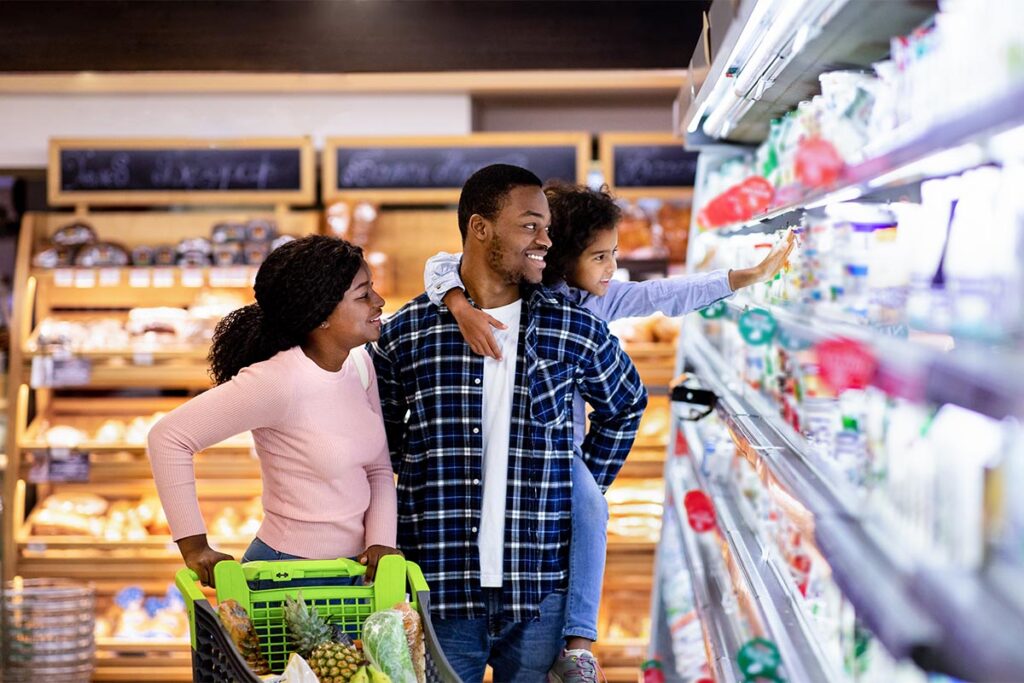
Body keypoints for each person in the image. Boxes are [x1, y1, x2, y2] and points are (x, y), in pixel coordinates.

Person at [423, 182, 795, 680]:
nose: (611, 268)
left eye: (613, 255)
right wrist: (458, 304)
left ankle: (578, 640)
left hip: (560, 452)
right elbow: (440, 264)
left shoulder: (599, 302)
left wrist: (743, 277)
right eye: (600, 256)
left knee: (592, 507)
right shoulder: (518, 287)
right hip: (495, 450)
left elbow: (664, 294)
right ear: (560, 254)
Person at [372, 165, 648, 682]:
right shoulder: (407, 333)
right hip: (440, 585)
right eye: (529, 226)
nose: (546, 239)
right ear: (480, 229)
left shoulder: (573, 328)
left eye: (546, 226)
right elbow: (379, 444)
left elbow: (626, 404)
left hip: (539, 588)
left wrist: (575, 483)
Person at [148, 235, 400, 588]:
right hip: (288, 577)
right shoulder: (278, 381)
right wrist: (194, 547)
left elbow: (378, 468)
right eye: (363, 295)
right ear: (321, 315)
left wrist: (381, 544)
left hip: (354, 574)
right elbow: (168, 438)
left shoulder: (359, 365)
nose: (379, 302)